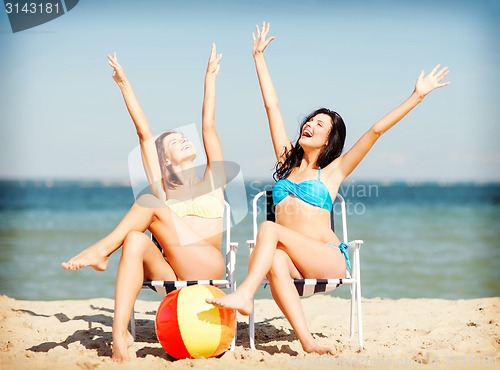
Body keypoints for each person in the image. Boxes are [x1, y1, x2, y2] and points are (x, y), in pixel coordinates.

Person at [207, 22, 450, 355]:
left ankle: (245, 294)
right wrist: (258, 58)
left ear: (329, 140)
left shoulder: (334, 172)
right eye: (310, 120)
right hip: (293, 262)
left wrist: (417, 96)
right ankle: (307, 340)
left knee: (269, 227)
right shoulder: (287, 162)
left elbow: (376, 131)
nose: (309, 124)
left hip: (327, 260)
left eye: (319, 124)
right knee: (275, 259)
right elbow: (271, 108)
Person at [61, 44, 226, 363]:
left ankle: (102, 250)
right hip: (170, 271)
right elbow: (143, 132)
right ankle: (119, 336)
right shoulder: (162, 190)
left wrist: (209, 78)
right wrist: (124, 83)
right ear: (164, 158)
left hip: (207, 266)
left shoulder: (211, 180)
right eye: (176, 141)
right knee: (135, 239)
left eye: (184, 138)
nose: (185, 140)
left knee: (149, 203)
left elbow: (208, 125)